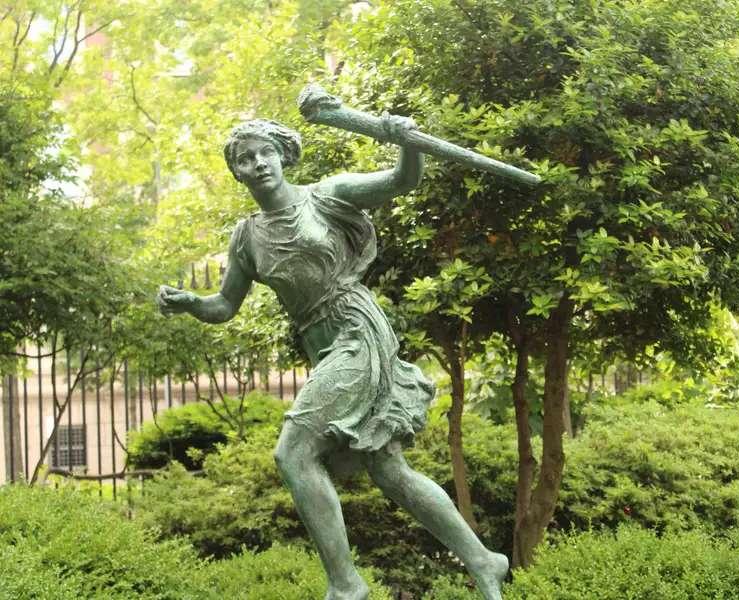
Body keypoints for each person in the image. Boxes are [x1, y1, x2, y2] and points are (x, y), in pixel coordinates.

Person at [156, 116, 508, 600]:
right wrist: (191, 303)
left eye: (264, 153)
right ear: (236, 172)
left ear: (282, 155)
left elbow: (402, 180)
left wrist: (406, 141)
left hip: (356, 330)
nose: (257, 163)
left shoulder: (326, 195)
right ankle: (485, 561)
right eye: (245, 159)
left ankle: (345, 585)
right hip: (321, 347)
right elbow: (224, 305)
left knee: (294, 452)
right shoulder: (247, 237)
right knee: (390, 472)